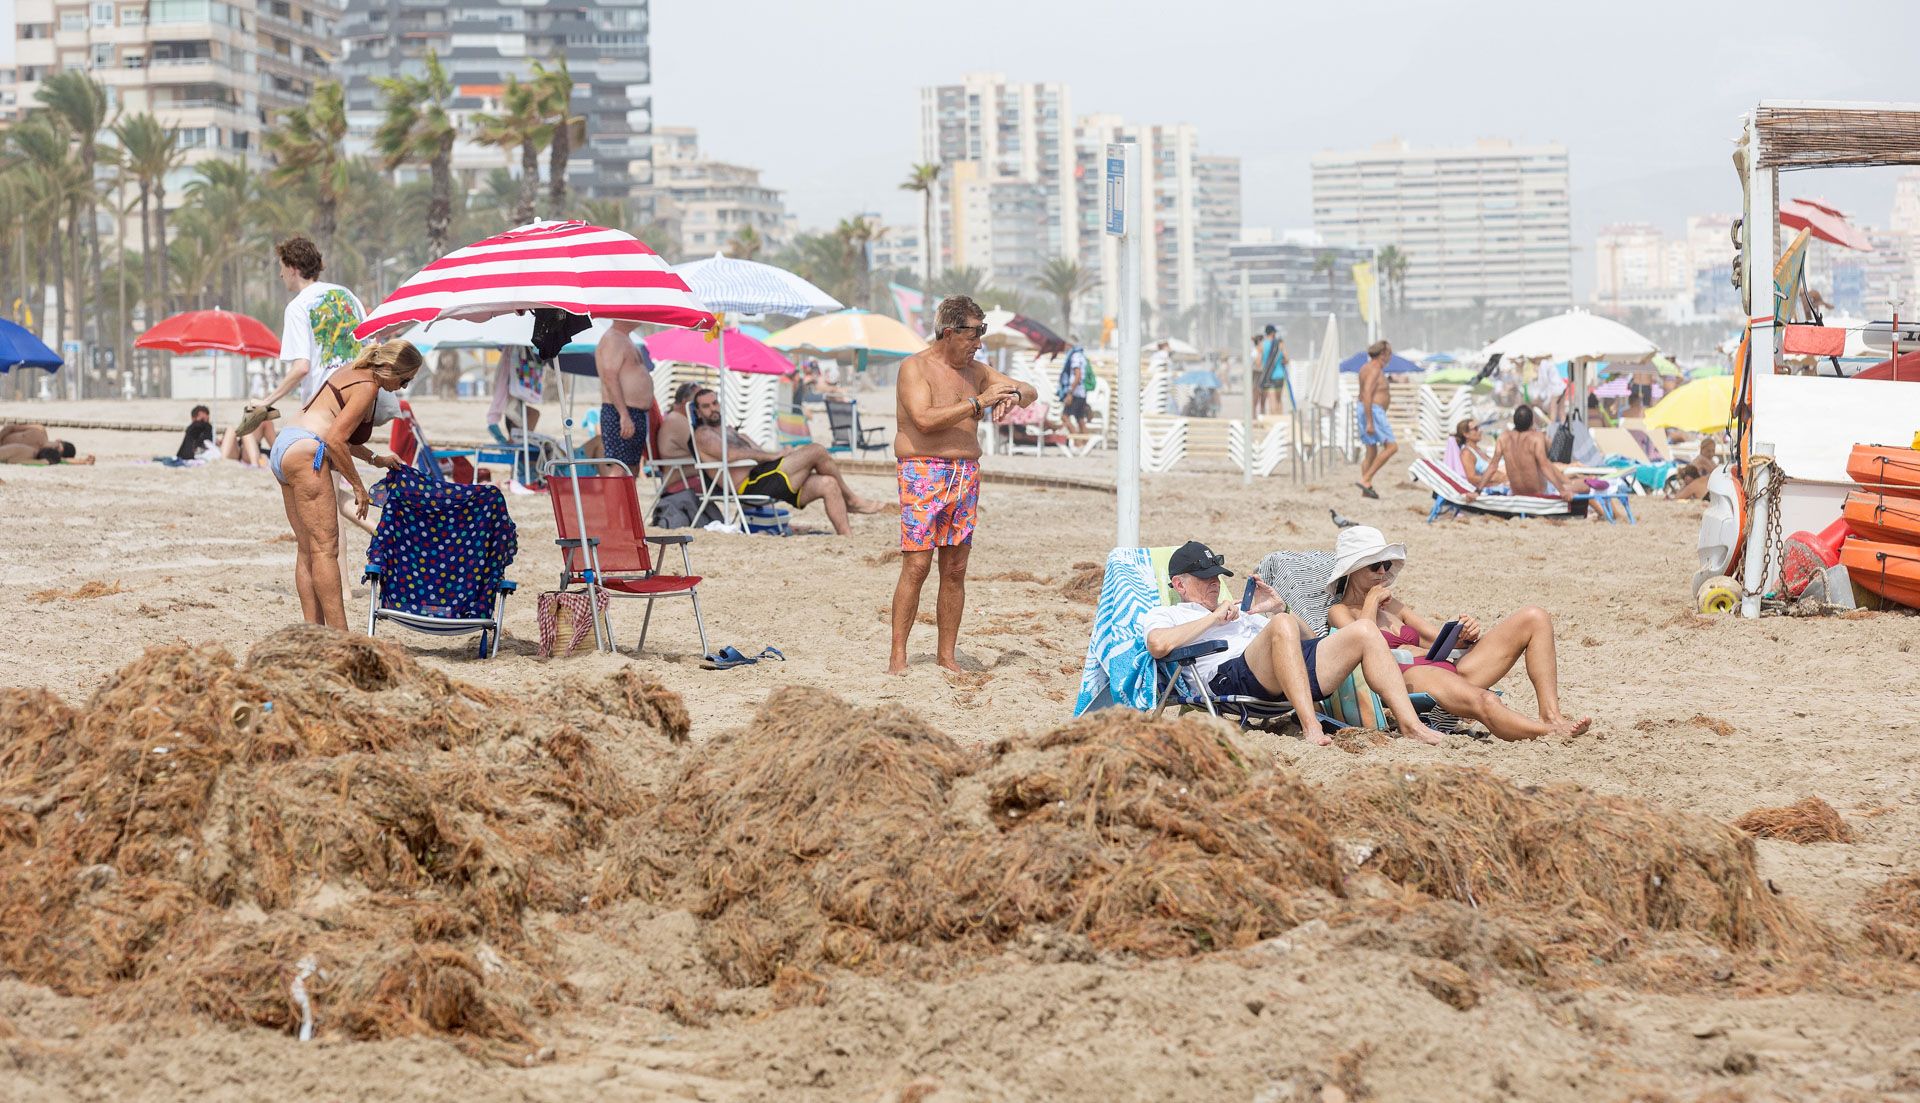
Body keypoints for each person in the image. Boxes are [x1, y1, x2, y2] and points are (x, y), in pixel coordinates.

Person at [1141, 541, 1448, 747]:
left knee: (1365, 630)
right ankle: (1310, 724)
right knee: (1281, 626)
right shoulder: (1168, 613)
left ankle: (1410, 724)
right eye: (1204, 578)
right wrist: (1214, 618)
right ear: (1179, 584)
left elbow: (1312, 642)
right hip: (1229, 675)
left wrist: (1280, 608)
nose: (1213, 583)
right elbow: (1157, 645)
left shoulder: (1239, 612)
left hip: (1282, 671)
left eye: (1215, 577)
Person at [1325, 526, 1590, 741]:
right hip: (1410, 675)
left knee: (1535, 617)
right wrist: (1370, 603)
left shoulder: (1392, 605)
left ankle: (1551, 715)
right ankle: (1547, 733)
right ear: (1352, 570)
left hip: (1446, 664)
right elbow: (1364, 643)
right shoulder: (1340, 611)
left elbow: (1436, 637)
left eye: (1385, 564)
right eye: (1374, 566)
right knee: (1484, 700)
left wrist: (1464, 634)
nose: (1383, 572)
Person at [888, 294, 1037, 674]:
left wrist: (1014, 395)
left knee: (955, 569)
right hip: (923, 471)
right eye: (973, 334)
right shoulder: (914, 367)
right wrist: (978, 403)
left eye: (982, 334)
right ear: (949, 332)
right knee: (917, 565)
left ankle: (946, 656)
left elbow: (1030, 390)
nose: (979, 343)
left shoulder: (978, 371)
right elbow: (923, 418)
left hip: (964, 475)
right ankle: (898, 655)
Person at [269, 339, 421, 630]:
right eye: (404, 378)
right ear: (389, 368)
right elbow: (335, 440)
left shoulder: (351, 370)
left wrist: (376, 458)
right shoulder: (368, 387)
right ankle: (341, 638)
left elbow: (337, 432)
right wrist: (359, 488)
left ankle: (314, 632)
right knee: (327, 549)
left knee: (307, 548)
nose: (402, 387)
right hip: (306, 452)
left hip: (286, 444)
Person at [691, 387, 888, 536]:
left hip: (766, 477)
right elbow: (730, 455)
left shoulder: (729, 430)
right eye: (706, 406)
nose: (713, 409)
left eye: (715, 403)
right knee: (817, 450)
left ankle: (848, 538)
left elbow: (755, 451)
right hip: (749, 485)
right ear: (698, 412)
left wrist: (777, 452)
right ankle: (853, 500)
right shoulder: (703, 434)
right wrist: (773, 456)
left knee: (829, 484)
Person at [254, 236, 370, 418]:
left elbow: (301, 367)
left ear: (293, 269)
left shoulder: (298, 306)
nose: (280, 274)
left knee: (287, 444)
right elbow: (368, 345)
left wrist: (267, 401)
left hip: (327, 404)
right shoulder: (347, 294)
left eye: (282, 268)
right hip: (361, 399)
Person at [1466, 404, 1575, 503]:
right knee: (1583, 486)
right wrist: (1562, 491)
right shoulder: (1536, 438)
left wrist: (1478, 491)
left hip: (1516, 494)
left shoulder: (1503, 437)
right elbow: (1544, 466)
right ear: (1531, 422)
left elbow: (1492, 467)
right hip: (1539, 495)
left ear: (1514, 421)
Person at [650, 382, 716, 529]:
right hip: (679, 480)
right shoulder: (677, 420)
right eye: (697, 399)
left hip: (684, 476)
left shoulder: (678, 419)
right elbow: (704, 448)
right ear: (687, 402)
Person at [595, 319, 652, 479]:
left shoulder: (625, 338)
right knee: (619, 467)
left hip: (634, 412)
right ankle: (612, 505)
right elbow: (609, 377)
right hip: (620, 412)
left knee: (632, 467)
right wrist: (624, 415)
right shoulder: (613, 339)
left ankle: (624, 504)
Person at [1355, 340, 1398, 498]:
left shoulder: (1366, 368)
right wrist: (1370, 421)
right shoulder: (1374, 369)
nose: (1390, 357)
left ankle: (1366, 489)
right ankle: (1366, 479)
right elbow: (1367, 393)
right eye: (1389, 353)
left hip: (1366, 409)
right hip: (1372, 411)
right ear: (1383, 354)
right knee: (1392, 447)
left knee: (1371, 451)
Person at [0, 423, 92, 465]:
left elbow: (64, 461)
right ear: (59, 440)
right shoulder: (39, 430)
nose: (55, 449)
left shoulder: (39, 454)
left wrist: (84, 461)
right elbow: (10, 427)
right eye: (59, 447)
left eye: (58, 452)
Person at [1448, 418, 1502, 484]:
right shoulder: (1466, 453)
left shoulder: (1478, 450)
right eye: (1476, 429)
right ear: (1466, 434)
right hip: (1491, 488)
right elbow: (1471, 478)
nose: (1480, 431)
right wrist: (1498, 478)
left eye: (1479, 427)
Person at [1058, 336, 1092, 435]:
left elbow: (1077, 376)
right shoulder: (1081, 355)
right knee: (1080, 418)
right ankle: (1085, 443)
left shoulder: (1075, 356)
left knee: (1064, 416)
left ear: (1069, 344)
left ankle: (1077, 441)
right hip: (1082, 392)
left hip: (1076, 392)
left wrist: (1070, 393)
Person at [1258, 325, 1289, 416]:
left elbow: (1258, 363)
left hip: (1269, 376)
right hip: (1280, 375)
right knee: (1279, 400)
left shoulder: (1262, 345)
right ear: (1272, 333)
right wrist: (1280, 361)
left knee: (1272, 400)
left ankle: (1274, 422)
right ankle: (1280, 420)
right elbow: (1286, 359)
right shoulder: (1280, 344)